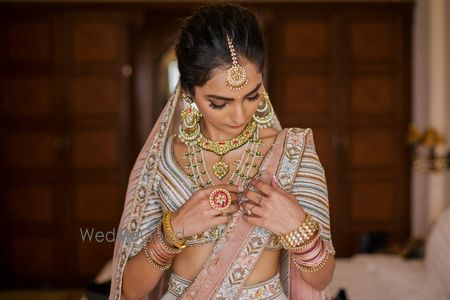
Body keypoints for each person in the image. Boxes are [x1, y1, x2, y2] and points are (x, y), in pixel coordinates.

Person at [110, 3, 335, 300]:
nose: (239, 115)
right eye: (219, 103)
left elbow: (321, 279)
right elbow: (131, 289)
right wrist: (173, 230)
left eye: (252, 95)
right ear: (189, 91)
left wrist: (298, 228)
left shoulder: (293, 152)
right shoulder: (162, 161)